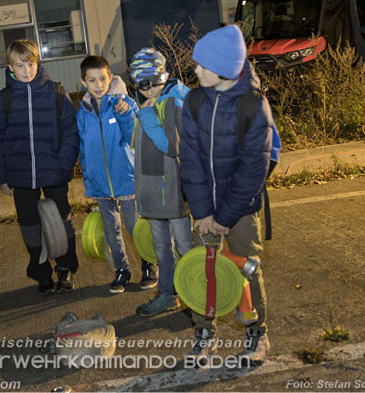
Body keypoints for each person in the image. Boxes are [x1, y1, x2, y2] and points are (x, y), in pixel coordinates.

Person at [180, 25, 272, 366]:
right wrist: (203, 213)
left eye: (203, 65)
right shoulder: (194, 100)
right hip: (204, 211)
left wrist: (225, 218)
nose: (196, 70)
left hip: (241, 212)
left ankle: (256, 331)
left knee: (247, 270)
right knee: (203, 271)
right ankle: (204, 333)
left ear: (225, 69)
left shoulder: (253, 106)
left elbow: (253, 171)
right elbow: (188, 160)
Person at [0, 39, 80, 295]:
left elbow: (71, 133)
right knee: (30, 227)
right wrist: (1, 176)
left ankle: (66, 269)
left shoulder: (57, 93)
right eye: (20, 65)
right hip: (20, 175)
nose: (26, 70)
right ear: (10, 68)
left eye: (30, 64)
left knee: (62, 223)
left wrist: (64, 165)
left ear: (38, 64)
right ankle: (41, 272)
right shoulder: (2, 100)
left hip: (54, 173)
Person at [77, 55, 153, 294]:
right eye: (92, 80)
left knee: (135, 226)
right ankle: (122, 269)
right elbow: (85, 151)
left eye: (102, 78)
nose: (98, 84)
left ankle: (149, 265)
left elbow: (135, 135)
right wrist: (90, 183)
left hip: (126, 178)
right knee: (112, 230)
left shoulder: (125, 103)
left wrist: (123, 114)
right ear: (83, 83)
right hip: (101, 183)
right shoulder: (83, 113)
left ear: (110, 77)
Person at [128, 48, 193, 315]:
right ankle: (168, 293)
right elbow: (135, 145)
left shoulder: (174, 100)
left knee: (185, 246)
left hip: (173, 188)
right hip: (153, 187)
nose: (146, 90)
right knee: (161, 248)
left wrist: (146, 116)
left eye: (150, 83)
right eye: (141, 85)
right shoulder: (148, 102)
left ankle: (193, 296)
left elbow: (171, 146)